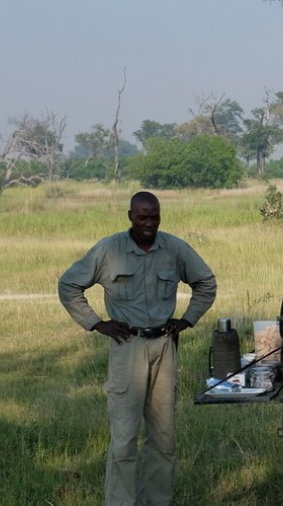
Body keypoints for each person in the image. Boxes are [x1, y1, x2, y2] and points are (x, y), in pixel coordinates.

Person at [58, 191, 217, 506]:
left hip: (164, 347)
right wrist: (95, 323)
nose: (149, 223)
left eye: (154, 216)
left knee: (164, 438)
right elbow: (69, 284)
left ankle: (159, 501)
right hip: (127, 347)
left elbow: (206, 283)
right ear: (130, 215)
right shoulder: (109, 250)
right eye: (142, 216)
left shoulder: (173, 248)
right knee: (124, 439)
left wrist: (186, 321)